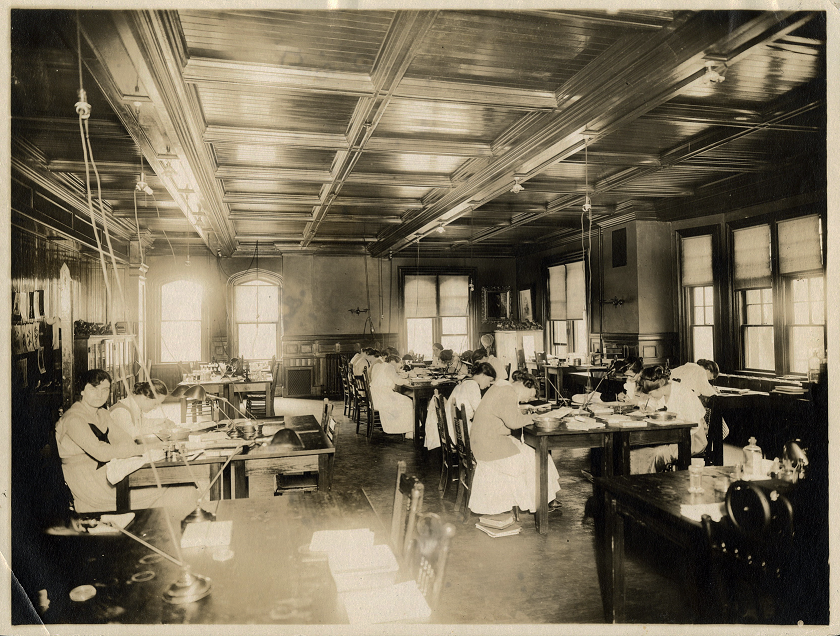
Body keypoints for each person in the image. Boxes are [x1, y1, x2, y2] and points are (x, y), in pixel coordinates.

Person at [55, 370, 165, 513]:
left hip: (108, 475)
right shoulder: (73, 419)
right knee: (172, 492)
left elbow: (125, 440)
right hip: (90, 486)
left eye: (105, 389)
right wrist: (143, 448)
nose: (99, 395)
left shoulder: (102, 413)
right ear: (81, 390)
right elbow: (102, 453)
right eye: (93, 389)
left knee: (172, 487)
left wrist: (129, 448)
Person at [469, 370, 562, 515]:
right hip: (490, 445)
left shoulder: (501, 387)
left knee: (536, 454)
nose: (527, 400)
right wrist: (534, 417)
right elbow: (513, 423)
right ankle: (542, 501)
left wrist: (526, 414)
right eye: (530, 395)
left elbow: (507, 415)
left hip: (485, 441)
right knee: (538, 458)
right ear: (525, 385)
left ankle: (547, 497)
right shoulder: (508, 392)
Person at [629, 366, 709, 473]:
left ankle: (647, 483)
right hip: (674, 436)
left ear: (658, 388)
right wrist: (649, 408)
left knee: (655, 454)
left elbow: (693, 425)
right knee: (637, 451)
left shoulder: (683, 393)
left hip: (692, 438)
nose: (650, 396)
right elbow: (655, 403)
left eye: (651, 393)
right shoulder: (664, 391)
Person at [110, 379, 176, 440]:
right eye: (155, 404)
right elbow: (134, 435)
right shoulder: (121, 411)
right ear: (145, 397)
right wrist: (160, 428)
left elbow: (143, 423)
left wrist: (163, 421)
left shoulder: (135, 407)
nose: (155, 408)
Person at [368, 354, 414, 437]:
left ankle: (404, 428)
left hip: (374, 397)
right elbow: (398, 381)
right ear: (393, 362)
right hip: (382, 396)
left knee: (403, 400)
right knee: (409, 402)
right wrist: (409, 380)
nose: (400, 366)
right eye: (399, 364)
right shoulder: (389, 367)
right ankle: (408, 431)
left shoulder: (378, 365)